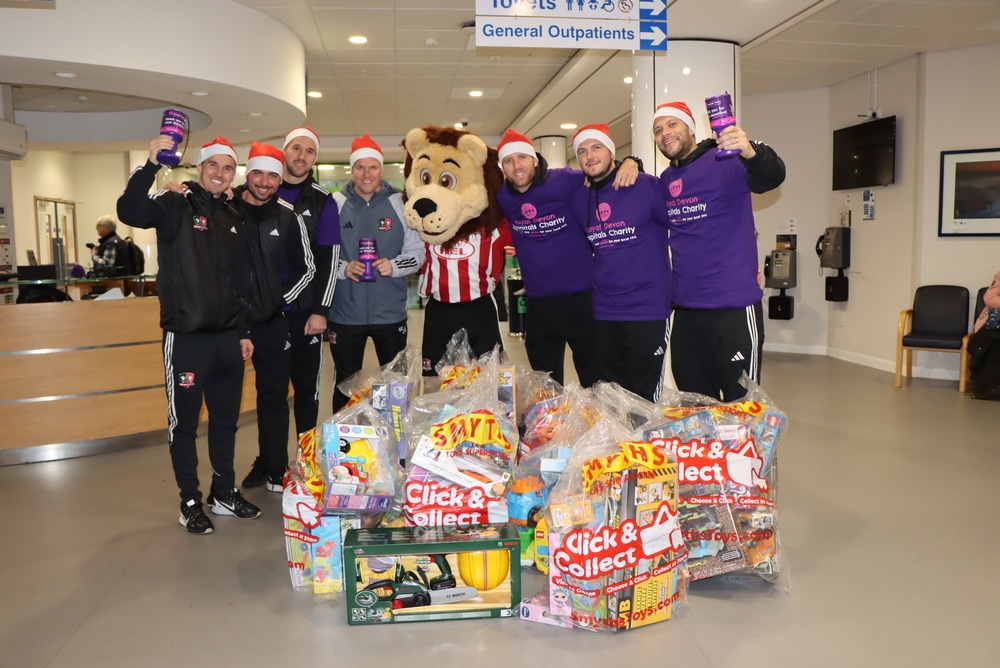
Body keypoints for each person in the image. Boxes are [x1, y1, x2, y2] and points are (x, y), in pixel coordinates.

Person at [116, 135, 260, 535]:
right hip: (187, 338)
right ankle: (190, 501)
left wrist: (243, 330)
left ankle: (224, 492)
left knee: (226, 421)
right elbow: (129, 209)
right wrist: (149, 166)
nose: (219, 173)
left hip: (227, 339)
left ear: (234, 174)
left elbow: (240, 282)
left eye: (228, 167)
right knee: (184, 425)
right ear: (200, 168)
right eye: (212, 165)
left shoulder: (234, 216)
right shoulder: (174, 204)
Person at [653, 101, 785, 401]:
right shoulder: (665, 181)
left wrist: (752, 152)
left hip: (732, 307)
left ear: (690, 128)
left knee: (744, 405)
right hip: (686, 311)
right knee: (695, 407)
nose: (665, 133)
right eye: (658, 130)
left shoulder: (725, 160)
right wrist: (632, 162)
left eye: (672, 124)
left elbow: (772, 176)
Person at [495, 129, 642, 387]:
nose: (517, 166)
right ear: (503, 167)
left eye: (522, 157)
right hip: (539, 303)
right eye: (509, 160)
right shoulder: (502, 197)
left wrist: (631, 162)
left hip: (582, 298)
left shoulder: (563, 179)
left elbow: (599, 171)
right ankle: (553, 426)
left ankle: (599, 424)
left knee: (595, 378)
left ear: (535, 160)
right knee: (545, 383)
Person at [569, 124, 672, 402]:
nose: (589, 156)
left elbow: (688, 230)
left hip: (647, 308)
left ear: (611, 151)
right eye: (582, 151)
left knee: (645, 394)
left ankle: (644, 446)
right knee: (612, 394)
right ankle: (620, 446)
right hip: (604, 310)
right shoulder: (580, 198)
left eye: (596, 147)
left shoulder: (647, 187)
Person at [234, 141, 316, 493]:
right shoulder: (225, 212)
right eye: (258, 173)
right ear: (247, 175)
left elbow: (307, 268)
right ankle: (224, 485)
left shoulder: (288, 217)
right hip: (227, 323)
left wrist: (277, 302)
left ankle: (274, 466)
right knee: (225, 402)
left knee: (273, 396)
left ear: (280, 179)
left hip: (271, 322)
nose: (265, 181)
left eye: (272, 175)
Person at [328, 135, 424, 411]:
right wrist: (343, 269)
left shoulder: (400, 203)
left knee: (396, 387)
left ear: (382, 170)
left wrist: (393, 266)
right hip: (345, 314)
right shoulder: (334, 204)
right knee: (344, 387)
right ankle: (343, 448)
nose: (366, 174)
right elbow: (321, 257)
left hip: (390, 314)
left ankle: (397, 450)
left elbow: (418, 254)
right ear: (352, 170)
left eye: (373, 167)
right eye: (360, 167)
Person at [274, 126, 341, 435]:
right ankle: (270, 464)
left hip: (304, 313)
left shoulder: (323, 201)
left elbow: (330, 260)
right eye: (297, 148)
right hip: (266, 312)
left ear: (315, 159)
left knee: (306, 391)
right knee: (271, 393)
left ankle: (306, 459)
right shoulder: (259, 192)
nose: (302, 156)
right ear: (284, 150)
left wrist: (321, 310)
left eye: (309, 151)